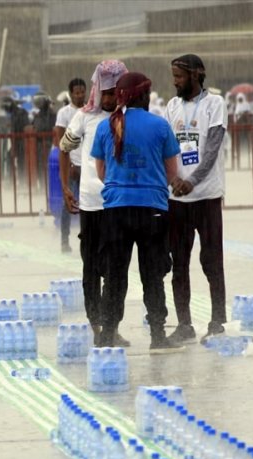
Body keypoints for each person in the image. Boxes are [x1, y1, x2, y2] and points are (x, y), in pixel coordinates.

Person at [91, 72, 184, 353]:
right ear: (142, 96)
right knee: (152, 274)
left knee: (115, 274)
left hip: (116, 210)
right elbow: (172, 171)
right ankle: (157, 335)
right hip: (152, 210)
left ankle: (108, 334)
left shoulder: (105, 127)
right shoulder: (159, 126)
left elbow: (102, 172)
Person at [60, 61, 129, 346]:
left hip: (120, 203)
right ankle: (97, 325)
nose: (110, 98)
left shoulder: (129, 117)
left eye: (115, 92)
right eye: (106, 92)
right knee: (91, 267)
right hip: (91, 204)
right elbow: (64, 149)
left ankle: (112, 325)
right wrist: (65, 187)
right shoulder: (83, 117)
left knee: (118, 269)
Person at [164, 54, 228, 344]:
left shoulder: (215, 104)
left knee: (211, 260)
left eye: (179, 75)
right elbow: (167, 150)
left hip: (207, 197)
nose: (175, 81)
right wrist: (173, 179)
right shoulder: (172, 106)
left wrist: (192, 180)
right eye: (174, 75)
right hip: (177, 200)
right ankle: (184, 323)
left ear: (196, 74)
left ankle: (217, 320)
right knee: (179, 263)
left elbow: (212, 150)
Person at [54, 77, 86, 253]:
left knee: (88, 205)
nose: (80, 95)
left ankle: (86, 238)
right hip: (72, 165)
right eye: (77, 92)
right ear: (71, 94)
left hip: (87, 166)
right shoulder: (64, 113)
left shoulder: (90, 112)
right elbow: (61, 142)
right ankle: (64, 240)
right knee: (68, 203)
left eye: (82, 92)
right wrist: (70, 164)